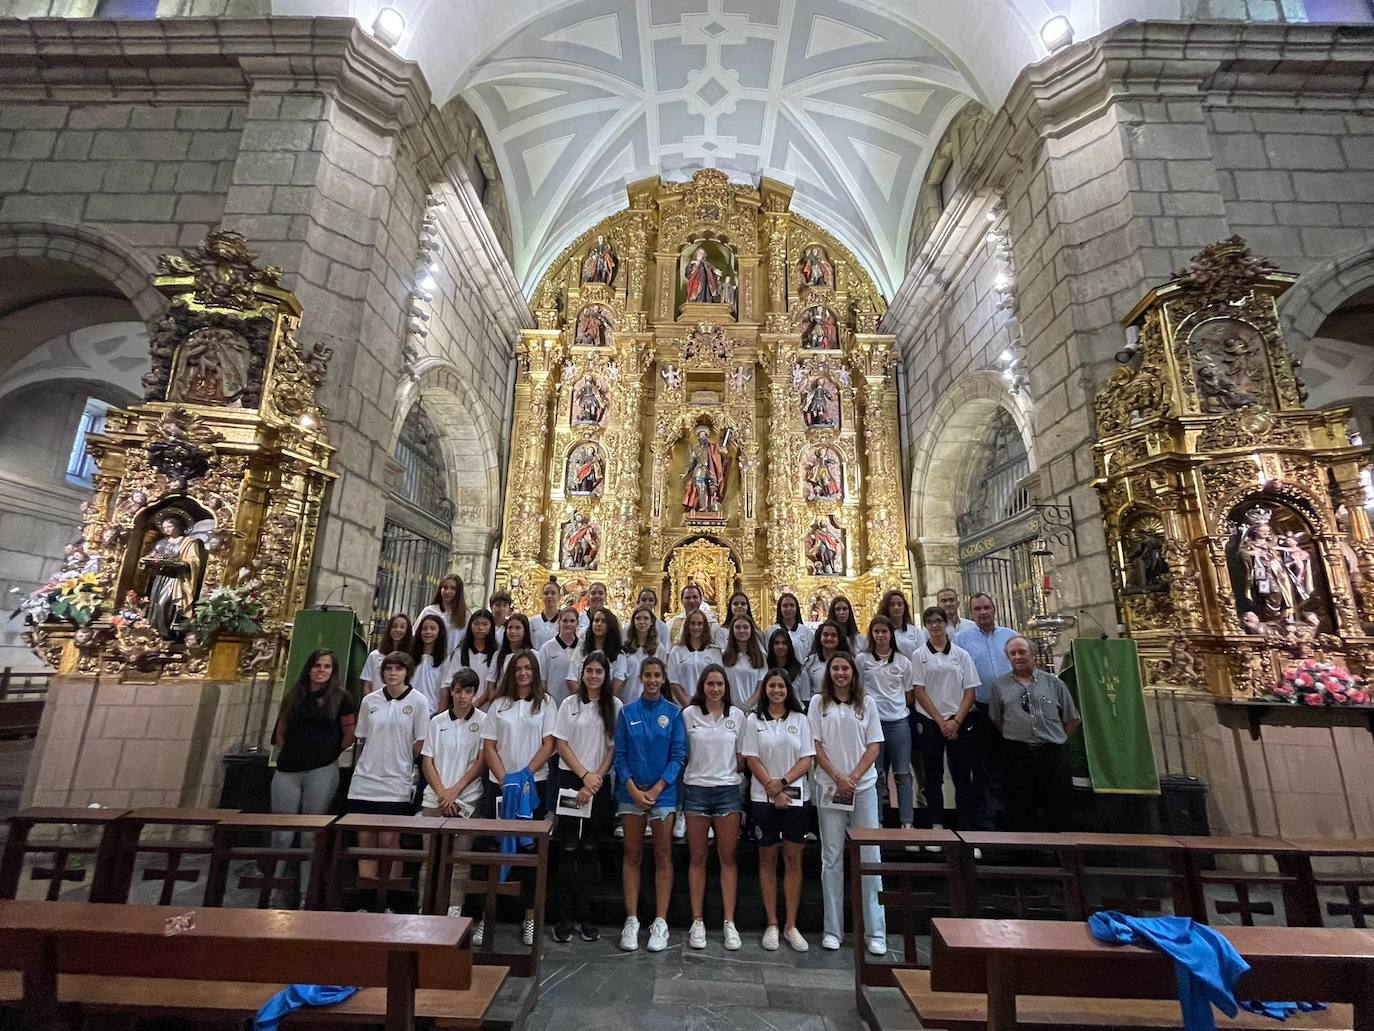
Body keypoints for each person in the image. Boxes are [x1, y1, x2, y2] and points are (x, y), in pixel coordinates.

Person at [808, 653, 886, 955]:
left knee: (870, 856)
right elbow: (815, 745)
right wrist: (837, 777)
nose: (840, 673)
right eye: (835, 669)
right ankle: (832, 929)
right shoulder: (818, 703)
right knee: (831, 857)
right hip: (830, 788)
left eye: (845, 669)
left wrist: (852, 776)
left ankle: (875, 931)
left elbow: (874, 745)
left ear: (853, 673)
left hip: (863, 787)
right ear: (829, 674)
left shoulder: (867, 703)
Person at [481, 649, 557, 946]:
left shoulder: (546, 703)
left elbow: (549, 743)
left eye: (528, 668)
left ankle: (529, 918)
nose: (523, 673)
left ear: (535, 672)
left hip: (531, 787)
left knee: (528, 856)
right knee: (493, 851)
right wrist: (505, 780)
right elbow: (489, 746)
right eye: (518, 669)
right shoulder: (499, 704)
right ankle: (488, 917)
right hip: (499, 787)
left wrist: (523, 775)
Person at [270, 648, 356, 907]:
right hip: (288, 769)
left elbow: (349, 733)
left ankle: (309, 891)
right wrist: (295, 751)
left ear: (333, 671)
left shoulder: (341, 698)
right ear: (309, 667)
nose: (321, 670)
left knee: (311, 833)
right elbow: (281, 730)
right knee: (282, 834)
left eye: (327, 666)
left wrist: (326, 754)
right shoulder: (293, 697)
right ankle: (274, 890)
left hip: (321, 768)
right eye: (317, 665)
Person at [346, 651, 428, 912]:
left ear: (407, 672)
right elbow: (363, 737)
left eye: (398, 669)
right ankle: (367, 899)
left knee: (389, 842)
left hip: (396, 781)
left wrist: (402, 762)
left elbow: (420, 742)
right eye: (388, 669)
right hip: (366, 780)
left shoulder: (418, 701)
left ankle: (391, 899)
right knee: (366, 840)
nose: (393, 673)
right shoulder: (370, 701)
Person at [615, 657, 686, 953]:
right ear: (641, 678)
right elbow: (619, 755)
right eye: (648, 675)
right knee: (631, 853)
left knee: (663, 854)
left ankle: (660, 921)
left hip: (663, 795)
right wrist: (632, 787)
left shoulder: (673, 713)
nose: (653, 680)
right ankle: (631, 919)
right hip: (631, 794)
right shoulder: (627, 712)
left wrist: (657, 788)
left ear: (664, 678)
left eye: (657, 675)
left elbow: (678, 756)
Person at [552, 651, 622, 942]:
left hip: (599, 783)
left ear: (606, 676)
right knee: (568, 847)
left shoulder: (614, 706)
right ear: (582, 674)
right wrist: (584, 776)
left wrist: (595, 780)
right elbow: (561, 743)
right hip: (571, 779)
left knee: (591, 848)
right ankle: (565, 915)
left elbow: (613, 747)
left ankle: (586, 914)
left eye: (599, 672)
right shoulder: (569, 704)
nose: (594, 676)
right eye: (589, 671)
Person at [742, 669, 813, 952]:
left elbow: (807, 758)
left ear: (788, 690)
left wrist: (782, 784)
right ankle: (772, 922)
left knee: (793, 859)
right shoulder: (753, 720)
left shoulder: (801, 719)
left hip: (795, 799)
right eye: (771, 686)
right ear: (765, 690)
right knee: (768, 860)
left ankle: (790, 925)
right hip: (763, 798)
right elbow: (751, 758)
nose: (776, 691)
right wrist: (771, 788)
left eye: (781, 686)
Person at [681, 664, 745, 951]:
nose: (715, 689)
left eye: (720, 684)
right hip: (696, 790)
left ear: (726, 687)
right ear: (702, 686)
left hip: (727, 791)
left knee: (728, 856)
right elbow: (683, 754)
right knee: (697, 857)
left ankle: (729, 922)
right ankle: (697, 921)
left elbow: (742, 757)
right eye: (710, 684)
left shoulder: (738, 716)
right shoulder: (689, 715)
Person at [987, 636, 1081, 831]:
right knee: (1020, 807)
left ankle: (1063, 854)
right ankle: (1026, 855)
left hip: (1052, 754)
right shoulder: (1000, 686)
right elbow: (996, 717)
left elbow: (1072, 718)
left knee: (1059, 807)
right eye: (1013, 654)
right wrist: (1016, 734)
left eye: (1022, 652)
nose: (1018, 656)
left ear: (1033, 655)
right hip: (1018, 754)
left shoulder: (1054, 683)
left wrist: (1055, 738)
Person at [419, 668, 486, 917]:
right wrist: (442, 793)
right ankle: (424, 909)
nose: (462, 697)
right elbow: (428, 761)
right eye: (458, 691)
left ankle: (453, 910)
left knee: (459, 861)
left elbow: (480, 762)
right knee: (430, 859)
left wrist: (455, 791)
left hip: (467, 799)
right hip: (435, 798)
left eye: (468, 691)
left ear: (474, 693)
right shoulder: (437, 721)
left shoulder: (483, 721)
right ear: (452, 692)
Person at [911, 607, 978, 836]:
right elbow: (918, 690)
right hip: (931, 720)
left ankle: (966, 830)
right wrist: (940, 721)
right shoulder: (919, 654)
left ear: (946, 623)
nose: (935, 625)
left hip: (958, 720)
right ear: (926, 626)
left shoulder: (961, 654)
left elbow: (970, 691)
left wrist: (956, 721)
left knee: (962, 776)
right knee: (932, 776)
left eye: (938, 621)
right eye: (930, 622)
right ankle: (936, 827)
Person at [953, 593, 1018, 830]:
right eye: (978, 609)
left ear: (994, 609)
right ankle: (988, 820)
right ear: (971, 613)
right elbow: (957, 673)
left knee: (1011, 761)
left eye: (987, 607)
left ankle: (1011, 817)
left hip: (1011, 708)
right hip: (979, 709)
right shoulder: (961, 639)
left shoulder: (1010, 636)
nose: (983, 612)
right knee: (983, 765)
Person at [859, 616, 915, 830]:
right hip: (873, 724)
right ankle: (877, 821)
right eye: (876, 632)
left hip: (898, 722)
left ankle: (907, 823)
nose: (880, 636)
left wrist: (896, 708)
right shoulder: (862, 659)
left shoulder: (903, 661)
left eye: (884, 631)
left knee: (903, 773)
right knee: (876, 774)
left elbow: (909, 693)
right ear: (871, 634)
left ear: (891, 634)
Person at [667, 609, 722, 709]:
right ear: (687, 626)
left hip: (708, 707)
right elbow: (673, 682)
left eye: (700, 623)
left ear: (705, 626)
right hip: (683, 706)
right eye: (692, 623)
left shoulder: (714, 651)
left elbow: (718, 681)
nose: (696, 627)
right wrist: (688, 706)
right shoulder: (676, 651)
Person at [570, 607, 627, 697]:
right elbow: (571, 678)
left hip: (607, 704)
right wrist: (585, 700)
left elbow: (619, 681)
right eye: (596, 620)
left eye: (604, 621)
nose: (599, 624)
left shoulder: (618, 654)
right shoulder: (581, 650)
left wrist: (602, 701)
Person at [448, 608, 497, 712]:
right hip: (462, 707)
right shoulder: (460, 653)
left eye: (485, 624)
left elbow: (493, 685)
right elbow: (452, 681)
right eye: (476, 624)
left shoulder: (496, 654)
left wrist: (476, 704)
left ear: (491, 626)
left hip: (488, 710)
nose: (480, 628)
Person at [621, 605, 669, 704]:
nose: (642, 622)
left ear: (651, 622)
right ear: (633, 621)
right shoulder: (625, 647)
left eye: (646, 618)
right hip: (628, 696)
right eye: (638, 618)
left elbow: (662, 674)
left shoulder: (659, 648)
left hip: (651, 697)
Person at [536, 607, 582, 706]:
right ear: (559, 622)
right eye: (565, 620)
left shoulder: (583, 647)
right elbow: (542, 680)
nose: (568, 624)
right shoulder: (547, 648)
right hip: (553, 704)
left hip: (577, 704)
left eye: (572, 621)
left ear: (577, 623)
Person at [721, 614, 767, 709]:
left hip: (753, 710)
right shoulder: (724, 656)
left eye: (746, 627)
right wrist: (733, 706)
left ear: (751, 630)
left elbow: (761, 686)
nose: (742, 630)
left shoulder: (760, 656)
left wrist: (748, 705)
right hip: (730, 709)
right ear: (732, 630)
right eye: (737, 627)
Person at [408, 614, 449, 714]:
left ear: (439, 632)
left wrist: (439, 714)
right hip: (408, 709)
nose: (428, 632)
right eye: (424, 628)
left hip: (430, 710)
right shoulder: (410, 656)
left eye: (433, 628)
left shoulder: (445, 659)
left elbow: (444, 690)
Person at [489, 612, 532, 707]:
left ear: (525, 631)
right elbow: (491, 683)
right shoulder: (498, 655)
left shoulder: (534, 655)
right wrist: (495, 704)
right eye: (510, 628)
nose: (513, 631)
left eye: (517, 628)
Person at [360, 614, 411, 693]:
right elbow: (367, 684)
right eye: (394, 626)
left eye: (402, 627)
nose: (398, 630)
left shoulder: (411, 657)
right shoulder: (374, 655)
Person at [419, 574, 467, 655]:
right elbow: (416, 634)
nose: (448, 591)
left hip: (453, 661)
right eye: (445, 587)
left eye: (453, 588)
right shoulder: (429, 611)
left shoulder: (466, 615)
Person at [803, 620, 850, 702]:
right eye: (825, 635)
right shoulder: (810, 661)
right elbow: (806, 692)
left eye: (833, 635)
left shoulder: (848, 661)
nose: (829, 638)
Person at [766, 591, 814, 657]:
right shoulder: (770, 631)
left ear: (797, 608)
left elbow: (810, 656)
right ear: (780, 609)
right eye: (785, 606)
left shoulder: (806, 632)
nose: (788, 609)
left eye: (792, 605)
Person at [879, 589, 925, 657]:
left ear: (904, 607)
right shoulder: (880, 632)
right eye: (892, 605)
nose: (896, 607)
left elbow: (923, 655)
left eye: (900, 604)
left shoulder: (915, 631)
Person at [530, 579, 565, 649]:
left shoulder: (565, 620)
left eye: (553, 593)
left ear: (559, 597)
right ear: (542, 596)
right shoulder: (533, 621)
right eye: (546, 593)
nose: (549, 596)